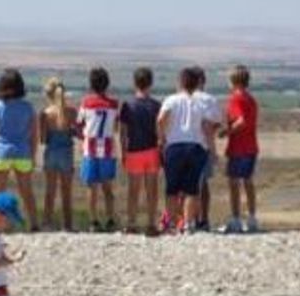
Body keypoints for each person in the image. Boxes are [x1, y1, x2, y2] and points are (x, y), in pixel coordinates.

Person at [157, 67, 216, 233]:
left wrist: (161, 138)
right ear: (197, 83)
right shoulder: (203, 101)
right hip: (196, 146)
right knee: (192, 189)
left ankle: (171, 223)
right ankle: (189, 223)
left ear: (180, 82)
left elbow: (161, 120)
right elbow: (208, 126)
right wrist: (211, 148)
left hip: (174, 146)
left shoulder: (171, 100)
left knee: (172, 189)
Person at [0, 68, 40, 231]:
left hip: (1, 152)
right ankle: (34, 224)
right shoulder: (28, 107)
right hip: (22, 152)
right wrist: (33, 155)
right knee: (27, 191)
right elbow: (34, 135)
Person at [118, 66, 162, 235]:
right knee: (152, 190)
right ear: (151, 83)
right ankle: (151, 224)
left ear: (135, 83)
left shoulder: (127, 105)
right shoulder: (156, 105)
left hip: (133, 151)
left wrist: (123, 152)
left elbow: (122, 132)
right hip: (152, 150)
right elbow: (160, 131)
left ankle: (132, 223)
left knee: (133, 190)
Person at [77, 67, 119, 232]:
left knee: (91, 187)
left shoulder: (86, 103)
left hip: (91, 148)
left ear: (91, 84)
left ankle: (93, 221)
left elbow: (79, 124)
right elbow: (116, 124)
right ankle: (110, 219)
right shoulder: (114, 104)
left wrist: (83, 137)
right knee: (107, 187)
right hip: (108, 149)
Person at [221, 64, 261, 233]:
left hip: (238, 147)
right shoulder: (251, 99)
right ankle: (252, 218)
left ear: (234, 81)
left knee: (234, 183)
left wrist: (227, 131)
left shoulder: (235, 99)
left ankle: (236, 219)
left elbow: (241, 120)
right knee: (248, 182)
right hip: (251, 146)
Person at [38, 77, 78, 231]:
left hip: (51, 152)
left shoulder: (45, 113)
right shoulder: (72, 112)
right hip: (66, 153)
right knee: (66, 191)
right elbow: (77, 132)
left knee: (50, 191)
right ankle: (68, 225)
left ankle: (46, 223)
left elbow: (43, 139)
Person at [193, 67, 223, 232]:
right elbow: (216, 123)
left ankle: (190, 218)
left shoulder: (181, 98)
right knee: (203, 184)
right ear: (203, 81)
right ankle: (203, 219)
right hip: (204, 145)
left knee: (188, 186)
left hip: (184, 145)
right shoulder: (210, 100)